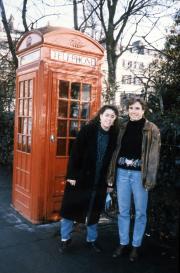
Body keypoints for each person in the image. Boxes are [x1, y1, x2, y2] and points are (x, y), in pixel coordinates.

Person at [107, 96, 161, 262]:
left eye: (137, 108)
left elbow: (153, 157)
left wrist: (149, 179)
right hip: (122, 172)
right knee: (123, 211)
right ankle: (123, 243)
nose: (134, 111)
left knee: (140, 212)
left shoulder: (152, 129)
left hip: (140, 175)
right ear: (127, 109)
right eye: (131, 108)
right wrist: (111, 175)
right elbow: (115, 151)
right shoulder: (122, 126)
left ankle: (136, 245)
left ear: (143, 110)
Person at [59, 105, 119, 253]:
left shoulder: (115, 135)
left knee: (94, 210)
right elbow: (75, 153)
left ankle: (91, 240)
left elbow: (114, 161)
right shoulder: (88, 130)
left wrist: (111, 182)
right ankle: (65, 239)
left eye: (112, 116)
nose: (109, 118)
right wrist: (71, 175)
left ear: (115, 119)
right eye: (107, 115)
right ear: (100, 116)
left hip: (100, 179)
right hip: (81, 177)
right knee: (70, 208)